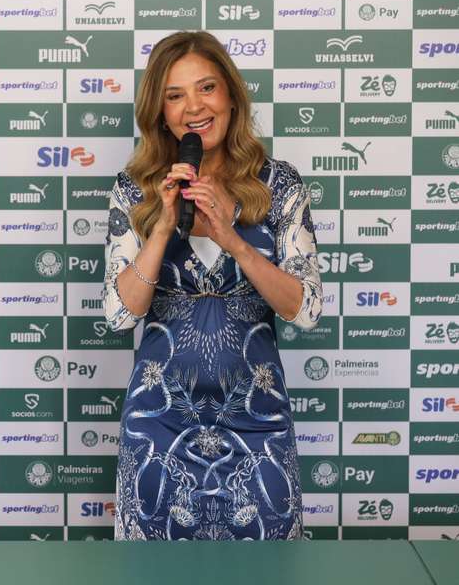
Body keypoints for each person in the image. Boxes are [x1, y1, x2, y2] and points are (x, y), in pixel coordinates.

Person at [104, 31, 322, 541]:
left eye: (206, 88)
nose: (194, 107)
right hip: (157, 429)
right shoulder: (134, 189)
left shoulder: (279, 185)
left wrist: (235, 240)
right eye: (175, 95)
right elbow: (118, 314)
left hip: (258, 428)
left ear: (231, 96)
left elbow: (307, 310)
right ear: (159, 111)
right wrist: (160, 226)